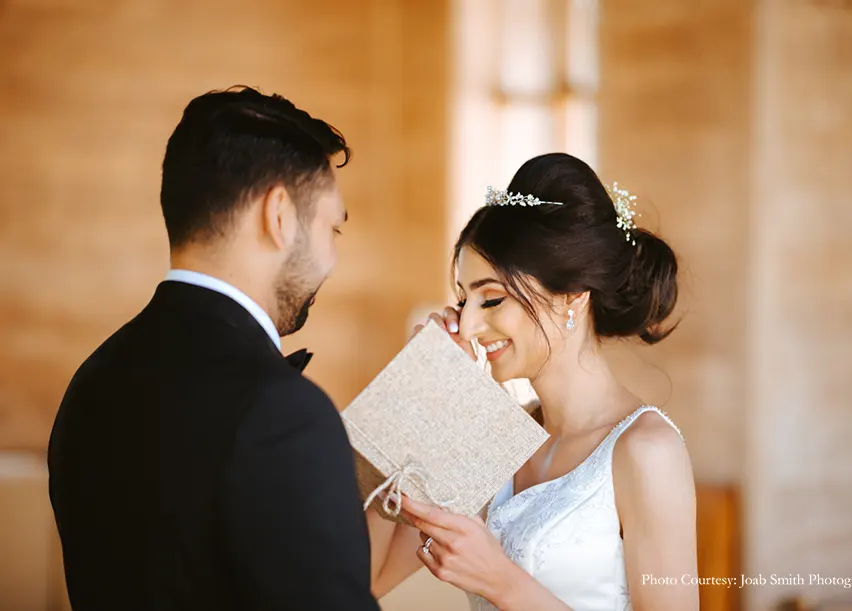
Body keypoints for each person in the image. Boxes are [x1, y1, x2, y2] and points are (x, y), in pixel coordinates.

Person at [47, 86, 380, 611]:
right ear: (280, 216)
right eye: (331, 228)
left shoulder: (92, 381)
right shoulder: (284, 414)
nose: (331, 260)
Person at [368, 153, 698, 610]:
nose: (465, 326)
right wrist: (427, 393)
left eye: (492, 299)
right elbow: (369, 576)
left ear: (571, 298)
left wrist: (502, 581)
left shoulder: (646, 452)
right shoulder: (492, 440)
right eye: (464, 300)